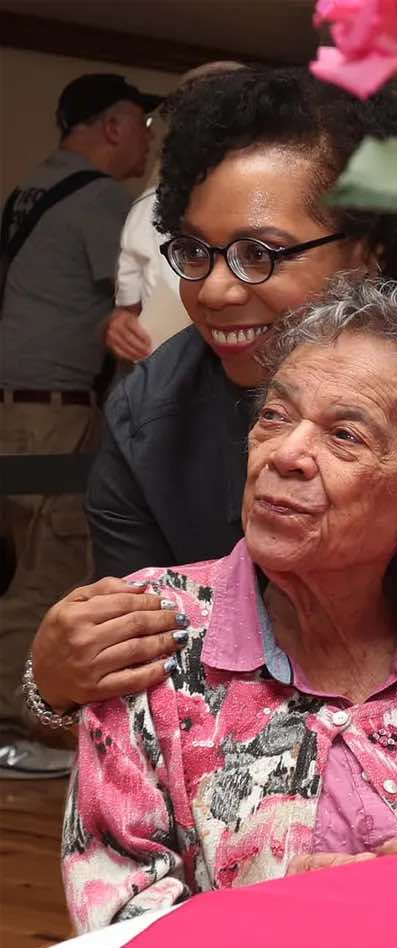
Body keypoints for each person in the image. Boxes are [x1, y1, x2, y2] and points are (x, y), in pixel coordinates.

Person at [23, 68, 397, 759]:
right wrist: (55, 685)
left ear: (369, 250)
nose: (213, 290)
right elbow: (130, 685)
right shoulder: (150, 421)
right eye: (194, 251)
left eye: (258, 254)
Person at [62, 277, 397, 933]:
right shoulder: (151, 632)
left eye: (344, 435)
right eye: (276, 416)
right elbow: (114, 921)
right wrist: (315, 907)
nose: (284, 455)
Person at [0, 73, 160, 777]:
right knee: (48, 568)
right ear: (117, 126)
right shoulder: (101, 200)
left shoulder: (29, 189)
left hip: (16, 408)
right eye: (144, 128)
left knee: (20, 563)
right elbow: (149, 293)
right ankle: (24, 728)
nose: (149, 144)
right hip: (52, 414)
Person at [103, 61, 245, 361]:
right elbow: (128, 312)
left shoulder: (282, 201)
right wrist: (120, 324)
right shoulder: (146, 209)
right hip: (164, 379)